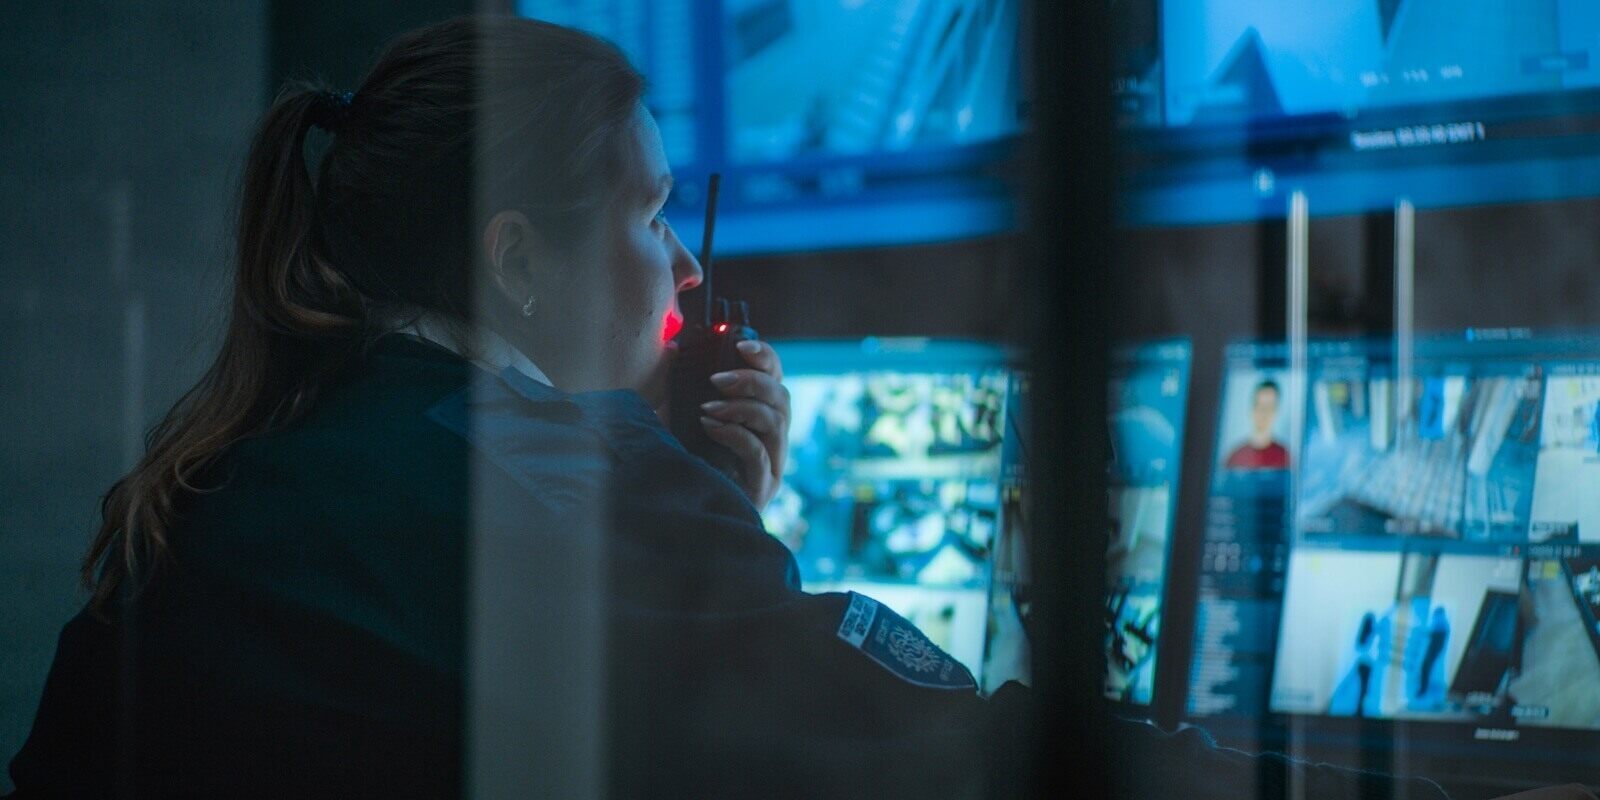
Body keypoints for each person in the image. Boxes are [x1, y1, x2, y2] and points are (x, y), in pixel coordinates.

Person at [6, 15, 1470, 800]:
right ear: (516, 258)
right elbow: (928, 741)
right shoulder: (559, 483)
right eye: (652, 211)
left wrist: (686, 504)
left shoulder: (229, 477)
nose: (684, 260)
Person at [1226, 379, 1290, 470]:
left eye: (1269, 407)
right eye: (1260, 406)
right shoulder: (1235, 457)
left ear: (1276, 411)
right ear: (1252, 409)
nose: (1264, 413)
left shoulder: (1285, 457)